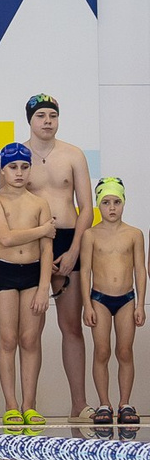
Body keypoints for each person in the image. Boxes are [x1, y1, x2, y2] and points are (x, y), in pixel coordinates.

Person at [24, 94, 96, 419]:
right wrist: (38, 247)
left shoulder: (73, 155)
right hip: (34, 243)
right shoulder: (17, 155)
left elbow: (87, 208)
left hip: (69, 241)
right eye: (41, 115)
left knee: (71, 327)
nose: (48, 121)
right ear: (30, 119)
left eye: (53, 115)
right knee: (31, 332)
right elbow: (11, 205)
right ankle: (29, 405)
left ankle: (79, 404)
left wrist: (74, 250)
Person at [0, 143, 57, 427]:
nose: (19, 172)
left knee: (30, 339)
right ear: (3, 170)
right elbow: (4, 238)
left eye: (24, 167)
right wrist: (43, 229)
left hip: (32, 274)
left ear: (30, 170)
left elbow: (47, 250)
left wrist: (43, 287)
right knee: (8, 339)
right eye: (13, 167)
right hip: (4, 271)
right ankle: (11, 404)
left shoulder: (40, 202)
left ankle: (29, 403)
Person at [78, 178, 143, 424]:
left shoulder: (134, 234)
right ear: (98, 205)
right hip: (99, 299)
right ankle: (104, 403)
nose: (112, 207)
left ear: (124, 203)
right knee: (102, 351)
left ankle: (124, 403)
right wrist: (87, 304)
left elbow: (140, 271)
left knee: (125, 351)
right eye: (106, 202)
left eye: (117, 202)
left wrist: (140, 305)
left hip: (127, 299)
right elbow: (85, 271)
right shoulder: (90, 235)